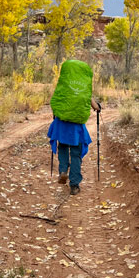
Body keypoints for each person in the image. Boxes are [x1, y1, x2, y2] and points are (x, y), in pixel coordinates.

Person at [47, 59, 101, 195]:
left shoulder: (63, 86)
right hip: (76, 128)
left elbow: (55, 101)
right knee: (76, 155)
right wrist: (98, 107)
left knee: (63, 149)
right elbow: (94, 105)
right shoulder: (84, 90)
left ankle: (63, 171)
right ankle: (74, 185)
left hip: (62, 125)